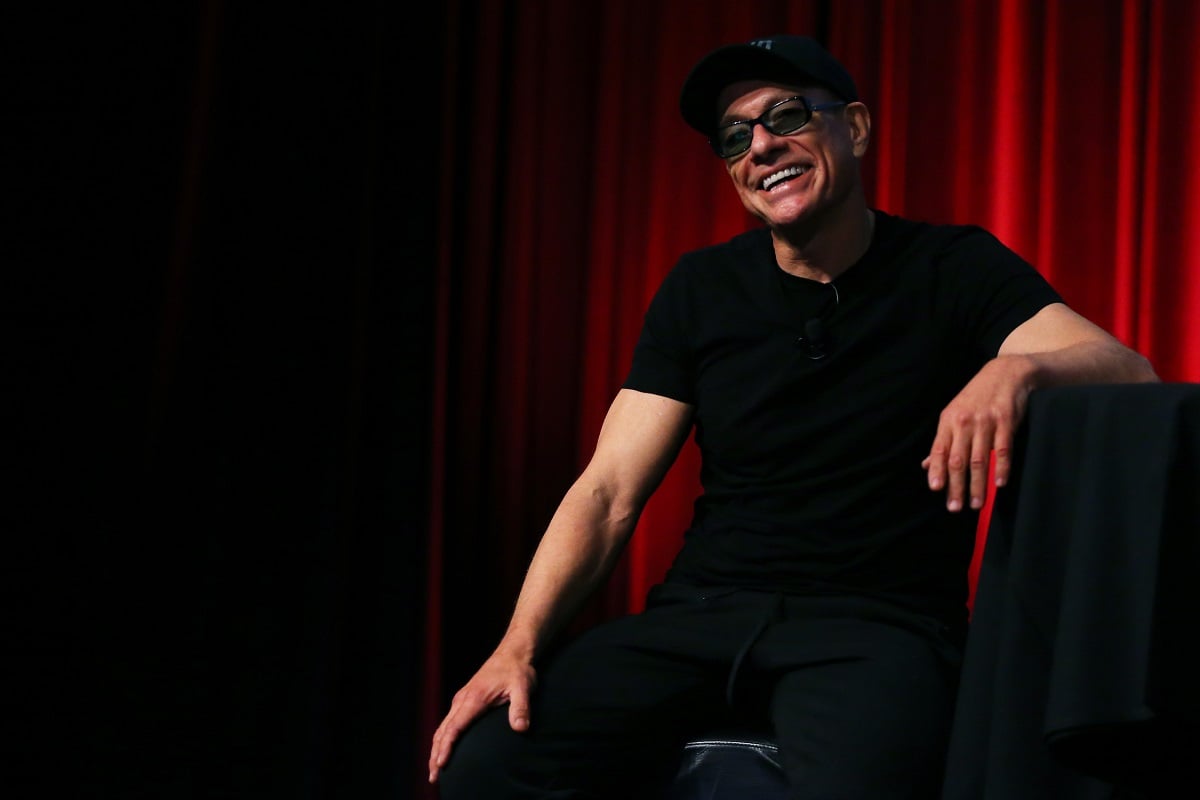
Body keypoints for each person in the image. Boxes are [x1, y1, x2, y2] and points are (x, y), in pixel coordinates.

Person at [428, 34, 1160, 798]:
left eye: (786, 116)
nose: (762, 146)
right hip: (701, 616)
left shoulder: (954, 268)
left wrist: (1018, 367)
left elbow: (1130, 371)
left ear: (857, 127)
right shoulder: (701, 288)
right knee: (485, 766)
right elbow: (608, 492)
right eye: (736, 137)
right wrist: (517, 647)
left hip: (877, 628)